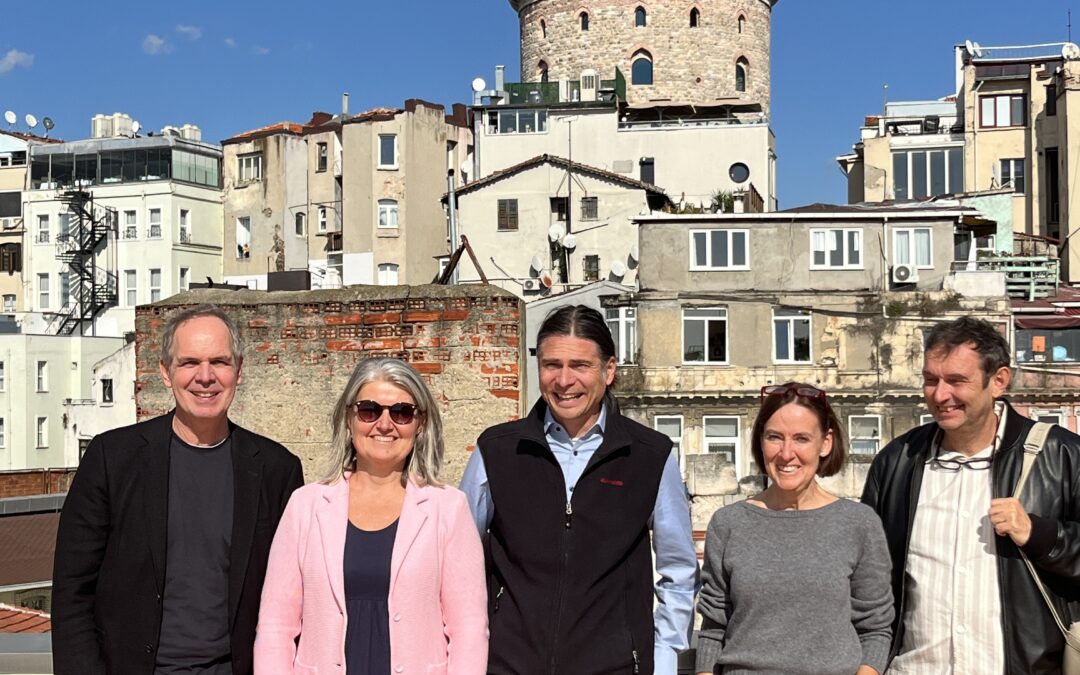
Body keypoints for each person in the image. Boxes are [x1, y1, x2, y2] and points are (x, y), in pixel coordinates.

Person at [52, 304, 304, 675]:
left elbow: (294, 598)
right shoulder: (112, 459)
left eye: (219, 361)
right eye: (189, 363)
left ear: (239, 370)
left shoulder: (276, 469)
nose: (205, 377)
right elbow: (72, 592)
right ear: (166, 373)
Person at [460, 304, 698, 674]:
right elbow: (459, 561)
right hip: (509, 665)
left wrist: (663, 659)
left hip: (615, 666)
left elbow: (679, 569)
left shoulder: (650, 456)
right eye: (552, 365)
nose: (564, 380)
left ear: (609, 370)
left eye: (580, 366)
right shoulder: (497, 450)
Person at [862, 316, 1080, 673]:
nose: (940, 394)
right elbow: (869, 582)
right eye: (931, 380)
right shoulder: (898, 462)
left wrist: (1040, 535)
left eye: (956, 381)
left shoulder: (1061, 456)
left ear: (998, 381)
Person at [255, 357, 487, 674]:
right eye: (369, 410)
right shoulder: (305, 506)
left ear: (420, 424)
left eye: (402, 412)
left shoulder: (449, 508)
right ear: (349, 418)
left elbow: (469, 630)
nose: (384, 424)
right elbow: (275, 626)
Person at [695, 382, 893, 675]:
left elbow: (875, 628)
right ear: (760, 441)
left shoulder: (859, 524)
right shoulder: (729, 524)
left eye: (801, 438)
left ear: (825, 443)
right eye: (775, 437)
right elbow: (713, 628)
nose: (786, 454)